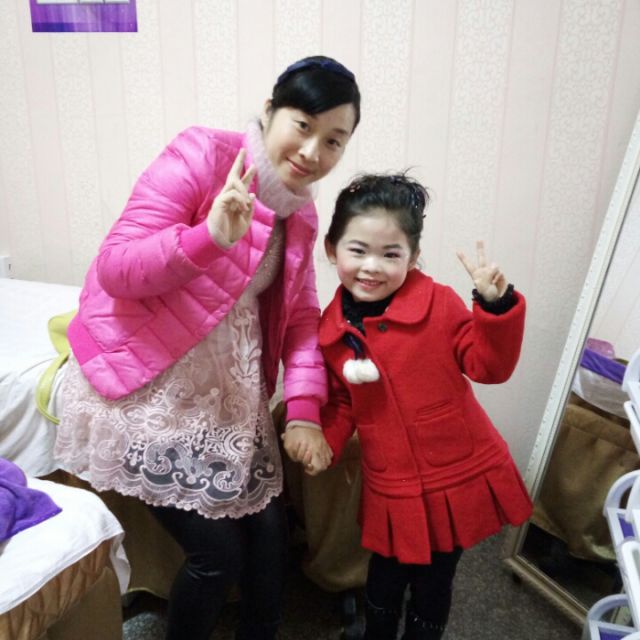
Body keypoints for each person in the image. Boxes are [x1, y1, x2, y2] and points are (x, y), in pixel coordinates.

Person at [53, 55, 359, 640]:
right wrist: (209, 238)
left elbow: (300, 319)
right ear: (270, 112)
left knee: (270, 539)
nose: (312, 151)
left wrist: (304, 412)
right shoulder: (201, 155)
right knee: (218, 554)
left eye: (333, 141)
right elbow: (115, 268)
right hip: (144, 383)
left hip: (223, 393)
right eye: (303, 125)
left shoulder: (301, 210)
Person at [284, 173, 533, 640]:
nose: (371, 267)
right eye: (358, 250)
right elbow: (343, 402)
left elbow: (488, 367)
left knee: (435, 580)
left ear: (413, 257)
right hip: (391, 480)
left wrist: (495, 307)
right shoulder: (332, 330)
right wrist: (325, 443)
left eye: (390, 254)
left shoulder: (438, 303)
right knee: (384, 575)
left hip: (452, 471)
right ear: (332, 249)